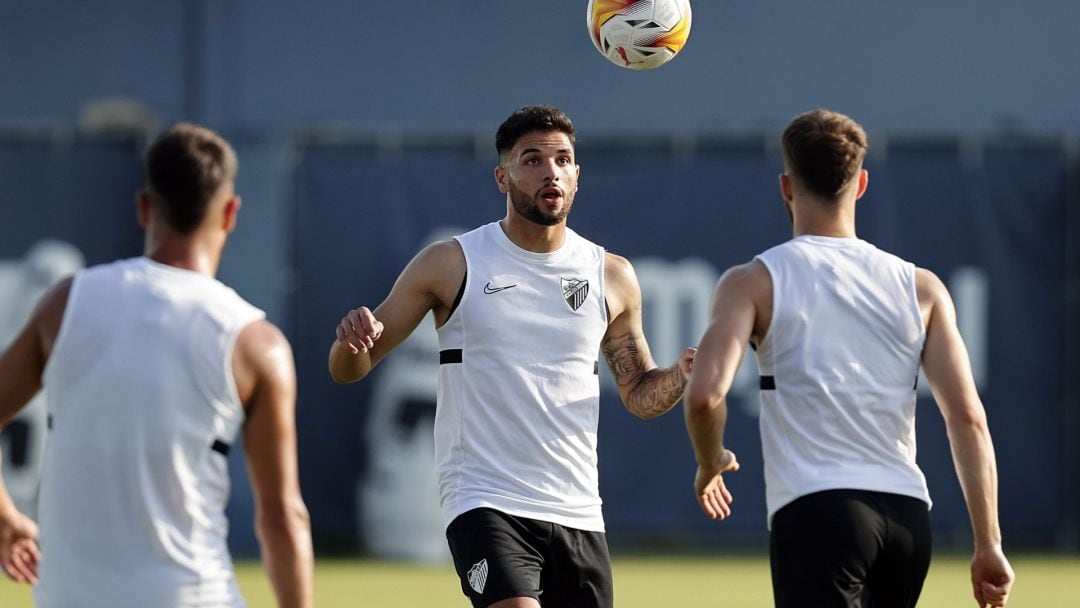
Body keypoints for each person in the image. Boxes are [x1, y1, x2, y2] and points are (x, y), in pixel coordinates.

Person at [329, 105, 694, 608]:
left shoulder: (611, 275)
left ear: (577, 175)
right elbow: (350, 368)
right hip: (484, 500)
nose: (551, 171)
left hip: (578, 511)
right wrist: (351, 345)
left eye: (563, 159)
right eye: (532, 160)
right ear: (502, 177)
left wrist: (681, 376)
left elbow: (639, 393)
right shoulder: (452, 262)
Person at [683, 109, 1015, 608]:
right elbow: (967, 417)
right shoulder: (922, 288)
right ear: (860, 184)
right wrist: (988, 542)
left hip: (819, 513)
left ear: (786, 187)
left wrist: (710, 462)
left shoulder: (752, 282)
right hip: (907, 518)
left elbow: (705, 396)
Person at [0, 123, 314, 607]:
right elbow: (281, 517)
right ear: (230, 214)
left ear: (145, 207)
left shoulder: (65, 303)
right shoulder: (258, 346)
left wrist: (4, 516)